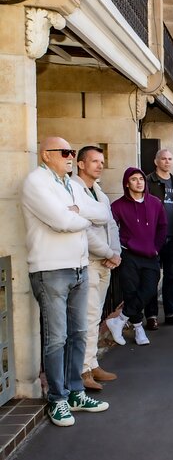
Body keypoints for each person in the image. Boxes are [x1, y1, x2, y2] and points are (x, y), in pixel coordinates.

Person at [22, 137, 110, 427]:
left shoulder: (70, 184)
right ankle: (57, 399)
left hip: (79, 267)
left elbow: (103, 213)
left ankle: (75, 392)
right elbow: (62, 222)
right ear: (46, 155)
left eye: (72, 152)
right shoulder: (37, 182)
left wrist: (78, 212)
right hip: (51, 269)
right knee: (56, 338)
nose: (71, 156)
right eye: (65, 152)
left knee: (79, 333)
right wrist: (80, 216)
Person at [71, 146, 121, 391]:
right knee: (87, 318)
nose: (100, 165)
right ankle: (82, 371)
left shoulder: (99, 192)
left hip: (106, 263)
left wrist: (116, 253)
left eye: (102, 162)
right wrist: (108, 253)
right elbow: (85, 229)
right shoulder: (74, 190)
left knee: (96, 316)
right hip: (89, 262)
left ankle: (92, 363)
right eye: (94, 161)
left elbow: (111, 225)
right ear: (80, 164)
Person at [107, 168, 167, 346]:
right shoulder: (117, 206)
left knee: (149, 290)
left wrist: (156, 248)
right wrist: (117, 250)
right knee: (131, 291)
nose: (139, 182)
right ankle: (138, 327)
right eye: (134, 179)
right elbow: (110, 230)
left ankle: (119, 320)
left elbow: (163, 227)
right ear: (127, 183)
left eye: (141, 178)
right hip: (129, 254)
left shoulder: (155, 202)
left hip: (150, 255)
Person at [145, 149, 173, 328]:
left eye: (170, 159)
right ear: (156, 161)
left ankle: (171, 313)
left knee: (171, 277)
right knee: (152, 278)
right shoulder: (148, 182)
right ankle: (151, 316)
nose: (167, 162)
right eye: (163, 159)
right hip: (154, 238)